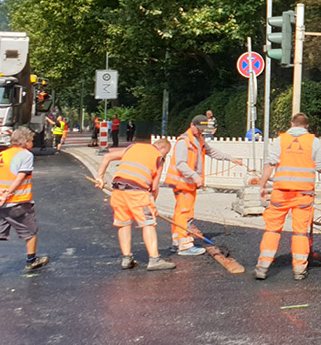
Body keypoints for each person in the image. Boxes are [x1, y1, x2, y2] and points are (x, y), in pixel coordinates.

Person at [252, 113, 321, 280]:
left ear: (291, 124)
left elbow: (270, 164)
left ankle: (262, 267)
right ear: (306, 126)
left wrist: (262, 185)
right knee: (300, 232)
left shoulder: (281, 140)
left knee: (272, 229)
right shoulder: (314, 142)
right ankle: (299, 270)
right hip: (303, 194)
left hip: (281, 193)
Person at [163, 115, 244, 256]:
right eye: (199, 129)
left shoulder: (199, 139)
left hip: (188, 184)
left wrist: (231, 158)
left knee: (180, 212)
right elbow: (180, 164)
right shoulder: (184, 141)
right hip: (182, 183)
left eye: (202, 130)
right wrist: (195, 176)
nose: (201, 132)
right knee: (185, 213)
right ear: (192, 125)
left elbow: (211, 152)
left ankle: (177, 241)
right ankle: (185, 246)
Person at [95, 139, 176, 271]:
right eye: (166, 153)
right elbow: (154, 187)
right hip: (137, 193)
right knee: (148, 223)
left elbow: (107, 157)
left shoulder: (133, 148)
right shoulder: (158, 158)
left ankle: (127, 258)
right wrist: (152, 205)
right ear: (162, 149)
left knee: (124, 223)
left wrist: (100, 177)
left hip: (118, 191)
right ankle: (154, 259)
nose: (164, 156)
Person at [0, 127, 49, 281]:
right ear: (25, 141)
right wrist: (7, 195)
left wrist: (0, 191)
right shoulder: (25, 155)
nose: (32, 143)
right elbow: (20, 177)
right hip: (17, 202)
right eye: (31, 140)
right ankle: (31, 261)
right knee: (30, 232)